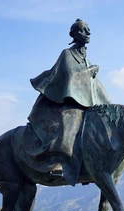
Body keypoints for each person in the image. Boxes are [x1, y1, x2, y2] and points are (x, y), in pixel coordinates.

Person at [26, 19, 111, 183]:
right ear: (73, 34)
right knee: (67, 125)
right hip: (64, 101)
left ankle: (88, 164)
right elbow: (71, 77)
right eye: (83, 30)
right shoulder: (67, 54)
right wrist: (90, 71)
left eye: (88, 29)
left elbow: (93, 86)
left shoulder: (86, 58)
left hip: (84, 103)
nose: (87, 33)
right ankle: (56, 164)